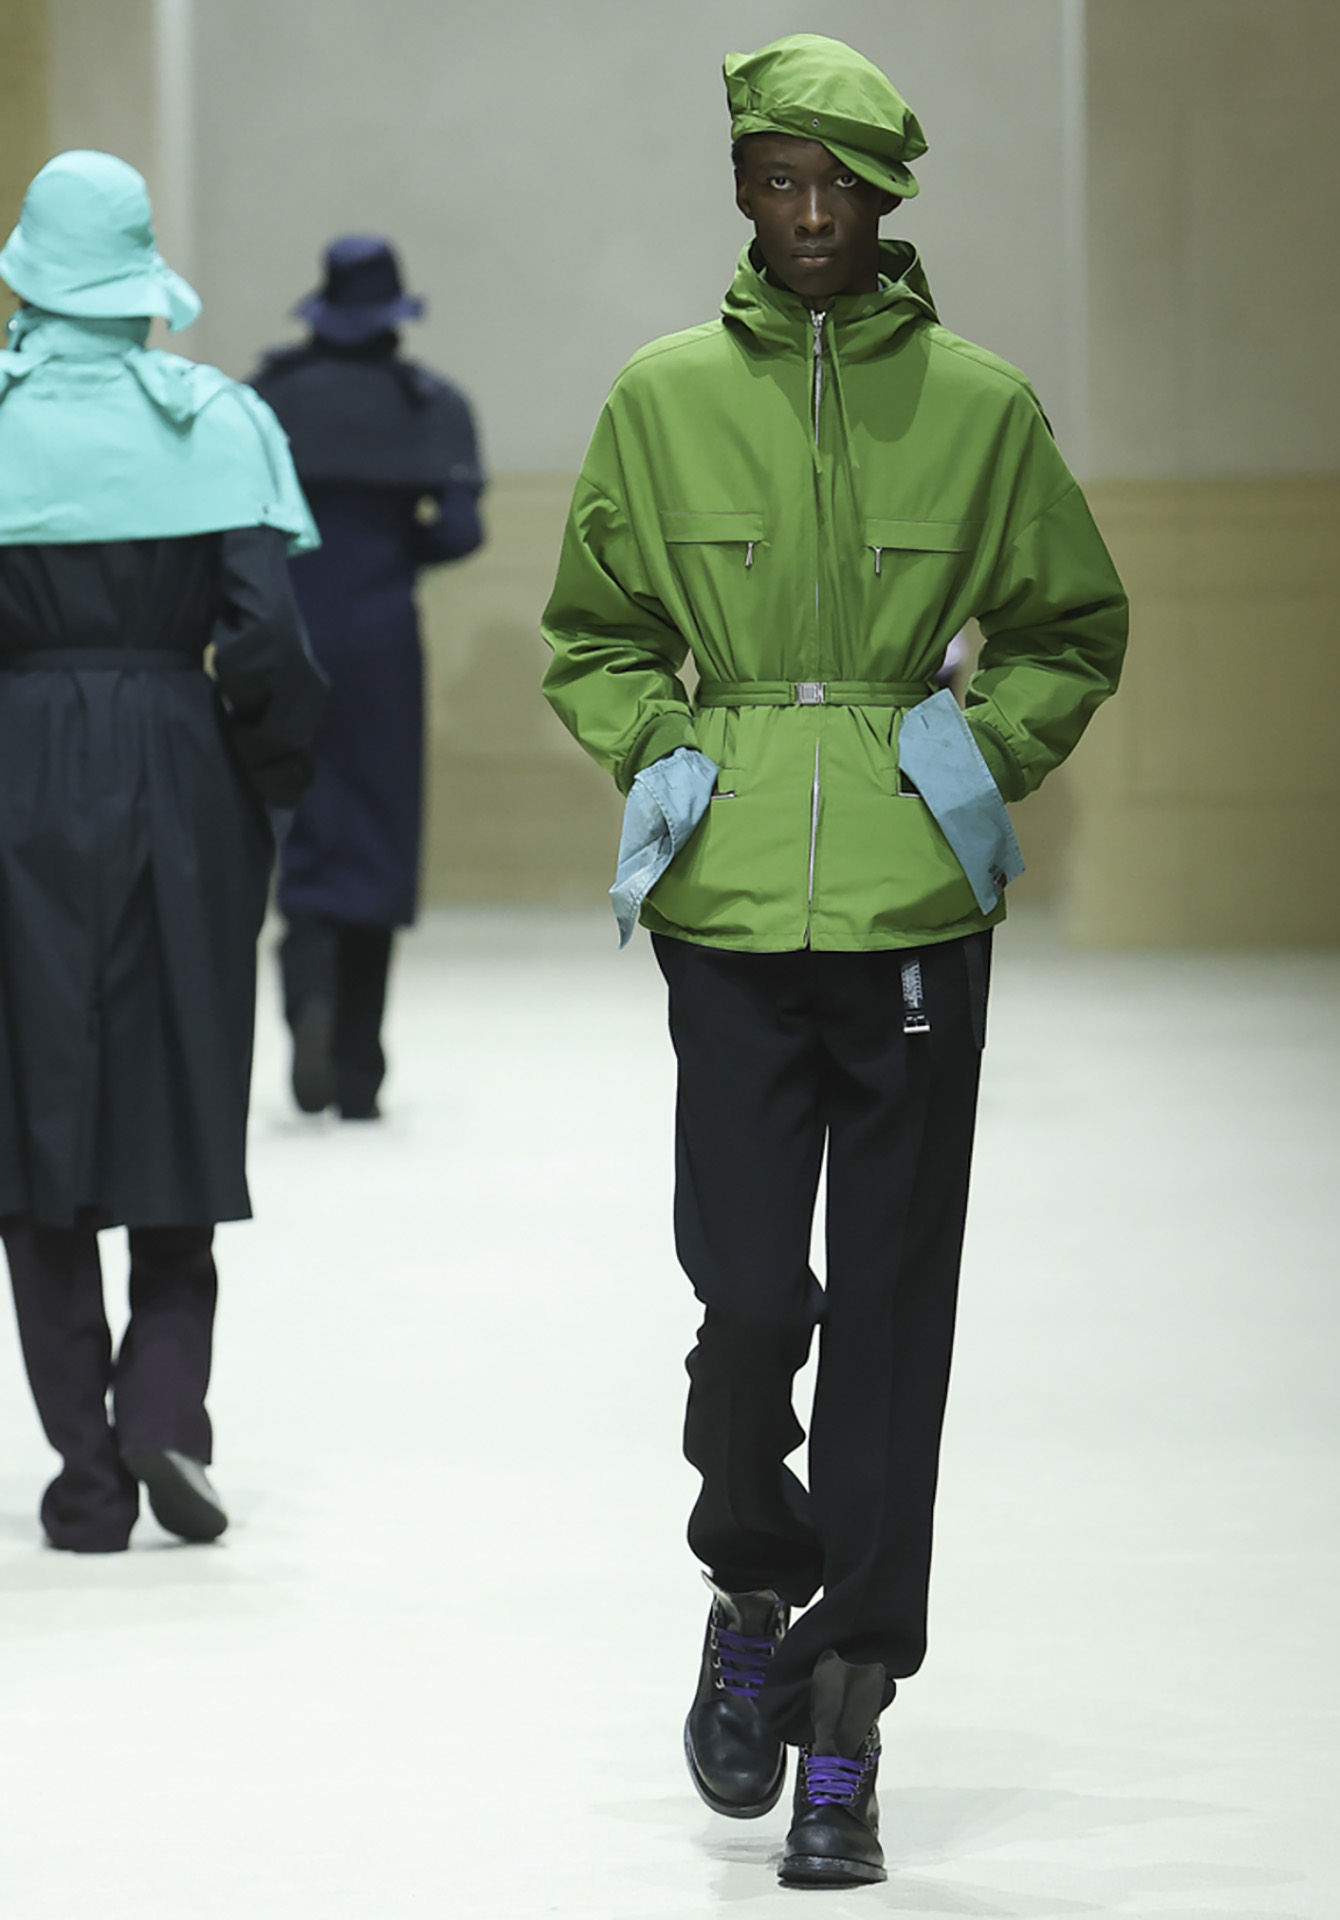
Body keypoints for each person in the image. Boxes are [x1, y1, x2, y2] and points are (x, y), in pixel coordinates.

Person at [542, 34, 1129, 1889]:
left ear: (887, 202)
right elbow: (592, 632)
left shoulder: (979, 407)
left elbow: (1070, 625)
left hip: (914, 916)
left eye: (841, 189)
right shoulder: (658, 398)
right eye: (780, 183)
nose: (811, 217)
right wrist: (668, 752)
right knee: (746, 1297)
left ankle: (848, 1714)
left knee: (890, 1316)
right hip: (724, 906)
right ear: (739, 190)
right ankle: (750, 1574)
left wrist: (963, 762)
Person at [0, 151, 327, 1552]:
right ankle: (164, 1409)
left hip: (15, 765)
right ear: (141, 281)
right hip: (181, 764)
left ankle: (86, 1474)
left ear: (27, 277)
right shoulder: (221, 423)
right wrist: (262, 789)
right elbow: (266, 646)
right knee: (180, 1083)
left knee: (29, 1111)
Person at [251, 237, 484, 1121]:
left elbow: (236, 521)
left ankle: (307, 996)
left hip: (290, 631)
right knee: (380, 829)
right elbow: (460, 530)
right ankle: (358, 1065)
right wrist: (393, 554)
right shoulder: (429, 403)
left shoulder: (267, 399)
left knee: (303, 818)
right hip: (383, 634)